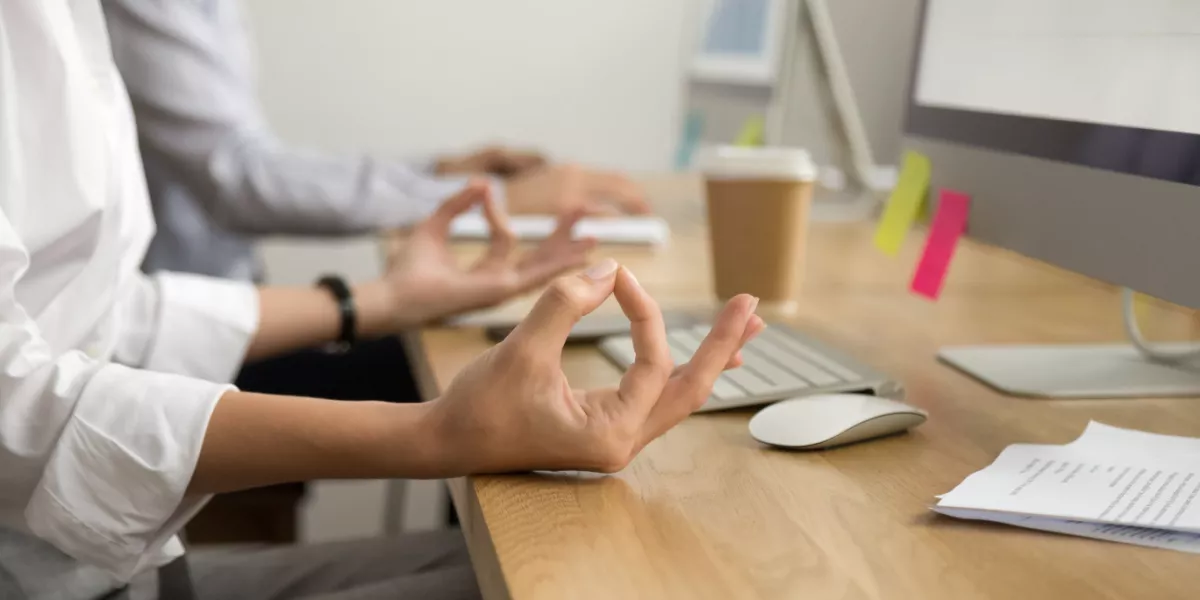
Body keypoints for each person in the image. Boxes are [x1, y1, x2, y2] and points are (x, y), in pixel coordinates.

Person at [0, 2, 764, 599]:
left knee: (587, 565)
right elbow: (15, 400)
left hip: (103, 572)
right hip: (50, 572)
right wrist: (439, 433)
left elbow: (99, 313)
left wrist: (378, 299)